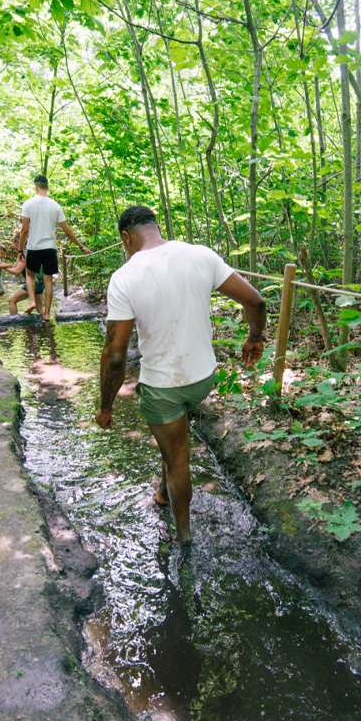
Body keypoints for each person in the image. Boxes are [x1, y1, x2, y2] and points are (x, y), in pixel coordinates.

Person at [95, 205, 266, 544]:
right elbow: (256, 302)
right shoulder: (201, 255)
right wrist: (255, 339)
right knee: (172, 441)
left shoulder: (125, 277)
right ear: (156, 228)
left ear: (126, 238)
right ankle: (162, 494)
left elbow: (115, 356)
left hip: (163, 388)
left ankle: (184, 537)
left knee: (177, 460)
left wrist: (106, 406)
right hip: (203, 377)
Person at [19, 174, 90, 322]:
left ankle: (32, 302)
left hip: (34, 247)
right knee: (48, 281)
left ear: (35, 187)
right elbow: (67, 231)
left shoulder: (28, 204)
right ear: (48, 187)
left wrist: (20, 249)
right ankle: (46, 314)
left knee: (30, 276)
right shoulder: (56, 206)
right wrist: (81, 246)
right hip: (50, 248)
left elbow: (24, 230)